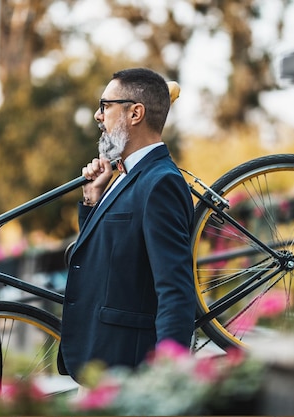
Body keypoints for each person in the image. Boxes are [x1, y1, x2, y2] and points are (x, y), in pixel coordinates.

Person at [58, 68, 197, 383]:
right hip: (101, 365)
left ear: (136, 113)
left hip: (127, 371)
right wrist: (93, 201)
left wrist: (167, 378)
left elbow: (175, 290)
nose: (98, 115)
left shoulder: (161, 181)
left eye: (105, 105)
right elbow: (105, 258)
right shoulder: (126, 177)